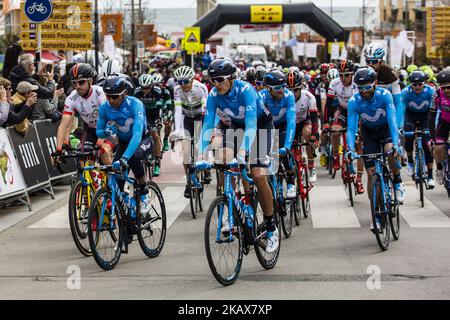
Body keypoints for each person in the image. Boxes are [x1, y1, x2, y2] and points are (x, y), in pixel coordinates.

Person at [195, 58, 279, 253]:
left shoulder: (246, 90)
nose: (216, 84)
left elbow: (251, 124)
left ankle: (270, 225)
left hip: (261, 127)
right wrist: (199, 155)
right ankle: (230, 209)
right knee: (223, 159)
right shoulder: (214, 95)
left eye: (220, 79)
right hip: (237, 127)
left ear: (231, 77)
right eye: (212, 80)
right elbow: (207, 126)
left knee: (257, 174)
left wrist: (242, 152)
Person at [346, 67, 405, 221]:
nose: (364, 91)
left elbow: (392, 122)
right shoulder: (354, 101)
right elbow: (351, 129)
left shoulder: (385, 95)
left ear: (375, 83)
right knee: (371, 176)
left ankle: (397, 182)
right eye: (360, 88)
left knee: (390, 151)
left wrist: (397, 144)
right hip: (369, 133)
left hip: (386, 130)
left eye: (367, 87)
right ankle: (377, 214)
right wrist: (351, 149)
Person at [96, 75, 154, 232]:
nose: (111, 100)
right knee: (118, 182)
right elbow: (99, 131)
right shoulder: (104, 107)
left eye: (114, 97)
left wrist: (125, 158)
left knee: (133, 158)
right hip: (122, 143)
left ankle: (144, 192)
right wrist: (106, 131)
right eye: (108, 96)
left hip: (142, 139)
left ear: (124, 93)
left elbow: (136, 135)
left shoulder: (135, 104)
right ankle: (127, 215)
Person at [169, 65, 210, 197]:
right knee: (186, 153)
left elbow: (205, 110)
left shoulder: (201, 88)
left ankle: (206, 166)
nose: (182, 85)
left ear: (192, 80)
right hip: (187, 118)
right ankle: (189, 182)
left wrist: (204, 132)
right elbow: (178, 111)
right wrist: (177, 130)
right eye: (179, 82)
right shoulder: (177, 90)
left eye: (185, 81)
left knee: (201, 146)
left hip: (200, 117)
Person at [327, 59, 365, 194]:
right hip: (343, 110)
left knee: (360, 144)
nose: (343, 78)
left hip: (357, 111)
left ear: (352, 74)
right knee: (335, 131)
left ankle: (359, 179)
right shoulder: (334, 83)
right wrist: (326, 122)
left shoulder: (357, 83)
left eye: (346, 75)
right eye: (341, 74)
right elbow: (328, 105)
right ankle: (336, 155)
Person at [54, 63, 106, 159]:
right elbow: (63, 125)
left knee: (104, 154)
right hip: (90, 129)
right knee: (83, 157)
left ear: (90, 81)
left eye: (81, 82)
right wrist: (59, 148)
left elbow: (108, 118)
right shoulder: (72, 98)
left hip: (107, 128)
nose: (77, 86)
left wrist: (100, 142)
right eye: (74, 83)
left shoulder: (99, 93)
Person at [259, 69, 297, 196]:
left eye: (283, 86)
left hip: (283, 126)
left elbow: (291, 120)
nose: (282, 90)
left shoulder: (288, 96)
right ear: (268, 88)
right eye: (277, 88)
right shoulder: (261, 97)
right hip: (267, 126)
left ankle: (291, 181)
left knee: (285, 153)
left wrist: (287, 146)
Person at [399, 70, 436, 188]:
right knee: (408, 136)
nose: (417, 86)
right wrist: (400, 126)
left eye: (420, 84)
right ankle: (410, 161)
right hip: (411, 116)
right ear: (410, 84)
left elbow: (435, 110)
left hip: (426, 116)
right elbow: (401, 110)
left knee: (427, 144)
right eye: (414, 84)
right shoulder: (405, 92)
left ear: (424, 83)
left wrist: (434, 126)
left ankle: (430, 176)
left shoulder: (431, 91)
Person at [286, 70, 319, 182]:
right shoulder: (283, 98)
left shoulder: (309, 97)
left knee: (308, 133)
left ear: (301, 88)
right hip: (290, 125)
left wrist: (315, 136)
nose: (292, 93)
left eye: (295, 90)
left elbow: (314, 118)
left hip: (304, 122)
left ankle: (311, 167)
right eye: (289, 90)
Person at [134, 74, 164, 176]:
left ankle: (157, 163)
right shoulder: (137, 92)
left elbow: (160, 107)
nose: (145, 90)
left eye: (147, 88)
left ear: (151, 86)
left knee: (155, 134)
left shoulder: (157, 91)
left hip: (155, 114)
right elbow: (134, 108)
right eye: (143, 88)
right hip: (143, 114)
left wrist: (159, 119)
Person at [432, 69, 450, 187]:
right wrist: (432, 136)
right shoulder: (437, 94)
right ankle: (439, 169)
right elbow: (431, 115)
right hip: (444, 122)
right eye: (444, 88)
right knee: (438, 147)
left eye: (449, 87)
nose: (446, 90)